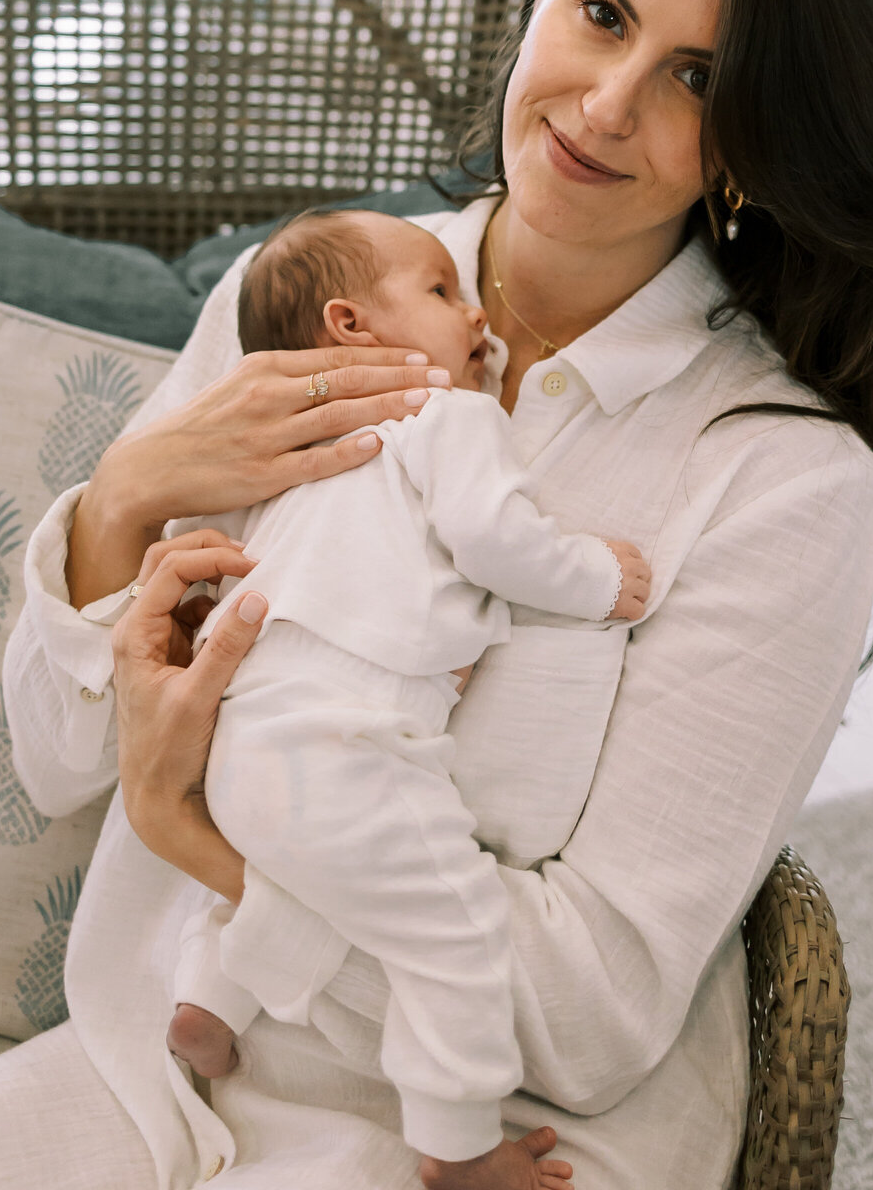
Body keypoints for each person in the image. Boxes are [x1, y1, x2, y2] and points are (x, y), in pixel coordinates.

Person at [0, 0, 873, 1190]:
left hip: (487, 1133)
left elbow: (588, 1016)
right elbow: (55, 758)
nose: (610, 103)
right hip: (150, 1068)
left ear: (756, 144)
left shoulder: (781, 482)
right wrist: (129, 495)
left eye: (700, 78)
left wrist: (197, 840)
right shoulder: (315, 302)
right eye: (603, 16)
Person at [167, 208, 649, 1190]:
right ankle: (459, 1144)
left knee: (317, 881)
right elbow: (492, 534)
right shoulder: (449, 415)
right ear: (350, 327)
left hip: (245, 739)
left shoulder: (303, 460)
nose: (475, 313)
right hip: (352, 736)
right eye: (440, 292)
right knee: (457, 931)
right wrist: (597, 577)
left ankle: (211, 998)